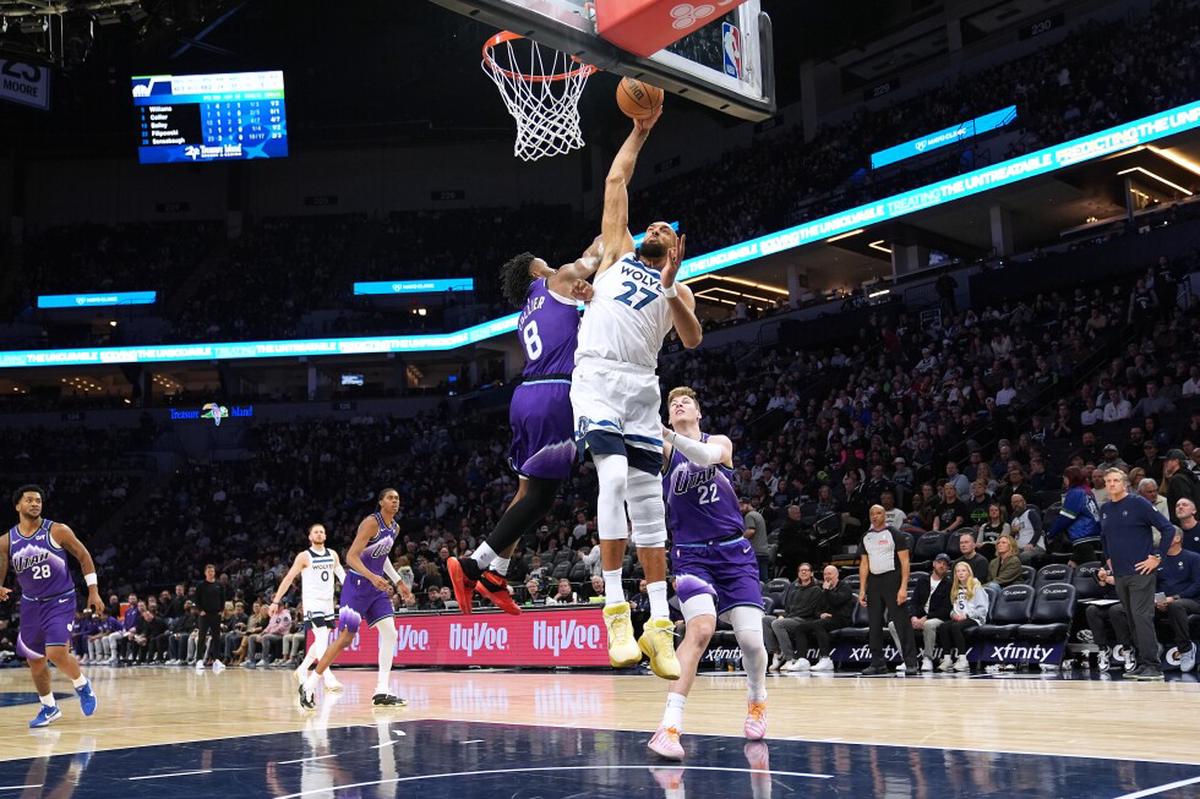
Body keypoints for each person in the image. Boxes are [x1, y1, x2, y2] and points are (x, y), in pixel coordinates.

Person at [571, 107, 701, 680]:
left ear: (675, 247)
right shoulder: (618, 251)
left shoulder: (680, 289)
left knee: (650, 507)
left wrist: (671, 287)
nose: (655, 229)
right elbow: (616, 180)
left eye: (665, 230)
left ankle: (659, 624)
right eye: (653, 226)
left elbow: (692, 339)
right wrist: (641, 130)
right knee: (615, 478)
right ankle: (616, 610)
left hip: (642, 386)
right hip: (598, 377)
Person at [447, 237, 601, 615]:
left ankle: (495, 575)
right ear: (534, 269)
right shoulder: (557, 279)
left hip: (525, 396)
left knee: (525, 492)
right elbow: (594, 257)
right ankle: (474, 564)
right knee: (542, 498)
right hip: (554, 394)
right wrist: (611, 231)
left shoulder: (527, 311)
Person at [648, 386, 766, 760]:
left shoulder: (719, 443)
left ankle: (757, 699)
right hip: (691, 555)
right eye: (672, 404)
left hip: (734, 553)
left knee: (752, 643)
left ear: (698, 412)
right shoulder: (664, 450)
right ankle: (669, 726)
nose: (679, 404)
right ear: (669, 417)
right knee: (700, 629)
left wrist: (666, 433)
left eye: (686, 401)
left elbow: (704, 456)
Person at [299, 488, 416, 710]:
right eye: (390, 498)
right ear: (381, 502)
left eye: (397, 498)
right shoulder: (371, 523)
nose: (395, 501)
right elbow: (351, 557)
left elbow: (382, 556)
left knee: (390, 633)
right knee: (345, 639)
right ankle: (310, 684)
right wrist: (372, 577)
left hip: (376, 588)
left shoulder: (395, 528)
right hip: (357, 587)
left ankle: (382, 690)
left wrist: (399, 581)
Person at [0, 485, 100, 727]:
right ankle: (49, 708)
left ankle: (82, 685)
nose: (35, 503)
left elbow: (84, 556)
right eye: (29, 500)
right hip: (30, 604)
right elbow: (2, 563)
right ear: (18, 505)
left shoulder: (57, 530)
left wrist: (94, 591)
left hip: (60, 599)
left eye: (38, 500)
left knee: (55, 653)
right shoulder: (6, 540)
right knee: (34, 660)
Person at [1099, 468, 1174, 681]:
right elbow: (1104, 536)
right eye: (1108, 481)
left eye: (1116, 480)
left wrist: (1157, 557)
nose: (1111, 484)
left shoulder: (1138, 503)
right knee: (1131, 618)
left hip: (1141, 571)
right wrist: (1108, 558)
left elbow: (1168, 528)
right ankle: (1143, 663)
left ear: (1125, 483)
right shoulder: (1105, 508)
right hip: (1120, 573)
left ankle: (1153, 666)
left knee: (1141, 617)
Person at [268, 523, 346, 691]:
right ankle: (328, 677)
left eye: (322, 532)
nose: (319, 534)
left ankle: (303, 669)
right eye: (315, 532)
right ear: (310, 537)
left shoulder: (333, 554)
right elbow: (289, 578)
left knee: (321, 640)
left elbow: (343, 577)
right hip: (312, 602)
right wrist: (276, 601)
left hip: (328, 603)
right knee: (322, 638)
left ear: (325, 536)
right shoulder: (304, 556)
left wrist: (355, 593)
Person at [858, 504, 917, 675]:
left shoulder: (894, 533)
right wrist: (862, 589)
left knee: (901, 622)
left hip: (892, 579)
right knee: (874, 624)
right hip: (874, 582)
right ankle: (877, 663)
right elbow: (864, 564)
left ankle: (911, 662)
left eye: (878, 513)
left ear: (884, 515)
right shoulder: (866, 536)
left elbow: (905, 562)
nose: (875, 516)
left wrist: (903, 587)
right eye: (872, 513)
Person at [890, 553, 952, 671]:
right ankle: (908, 659)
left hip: (938, 618)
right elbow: (913, 602)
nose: (942, 566)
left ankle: (927, 658)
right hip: (918, 617)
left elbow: (946, 609)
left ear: (948, 568)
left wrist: (926, 618)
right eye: (939, 563)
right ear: (934, 564)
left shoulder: (949, 584)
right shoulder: (922, 580)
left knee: (929, 624)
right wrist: (913, 617)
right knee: (893, 625)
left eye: (945, 564)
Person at [763, 563, 823, 673]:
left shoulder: (816, 590)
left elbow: (808, 611)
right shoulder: (794, 590)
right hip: (791, 618)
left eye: (806, 570)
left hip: (805, 620)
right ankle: (777, 653)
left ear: (811, 573)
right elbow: (788, 608)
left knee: (778, 623)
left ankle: (790, 658)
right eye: (801, 570)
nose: (803, 572)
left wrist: (785, 617)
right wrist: (783, 616)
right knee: (765, 620)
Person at [937, 561, 989, 672]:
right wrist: (953, 614)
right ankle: (947, 659)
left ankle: (963, 660)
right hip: (960, 618)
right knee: (943, 626)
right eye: (958, 571)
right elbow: (954, 608)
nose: (960, 573)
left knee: (955, 627)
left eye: (963, 571)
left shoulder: (976, 586)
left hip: (975, 618)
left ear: (969, 572)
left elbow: (983, 609)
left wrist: (967, 615)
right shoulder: (955, 587)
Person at [1046, 466, 1102, 564]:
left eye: (1065, 478)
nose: (1064, 481)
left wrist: (1051, 533)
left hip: (1083, 535)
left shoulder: (1075, 492)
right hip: (1093, 532)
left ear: (1071, 478)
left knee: (1092, 567)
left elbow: (1066, 517)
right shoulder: (1087, 491)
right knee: (1072, 564)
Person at [195, 563, 225, 671]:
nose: (210, 573)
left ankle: (216, 660)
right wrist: (200, 610)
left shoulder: (219, 585)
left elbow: (222, 598)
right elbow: (196, 599)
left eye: (212, 571)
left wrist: (221, 610)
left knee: (216, 637)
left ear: (214, 572)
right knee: (202, 637)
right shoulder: (200, 585)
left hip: (216, 614)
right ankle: (199, 660)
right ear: (205, 573)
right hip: (205, 614)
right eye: (208, 571)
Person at [1162, 449, 1200, 525]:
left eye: (1168, 461)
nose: (1165, 464)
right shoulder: (1189, 476)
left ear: (1176, 461)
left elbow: (1185, 503)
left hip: (1185, 524)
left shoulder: (1178, 479)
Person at [1009, 494, 1046, 566]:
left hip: (1035, 547)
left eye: (1019, 501)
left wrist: (1031, 543)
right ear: (1012, 504)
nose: (1017, 504)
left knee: (1022, 556)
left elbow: (1038, 530)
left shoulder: (1031, 513)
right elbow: (1011, 537)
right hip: (1019, 549)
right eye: (1014, 502)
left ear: (1024, 502)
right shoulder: (1013, 519)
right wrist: (1012, 532)